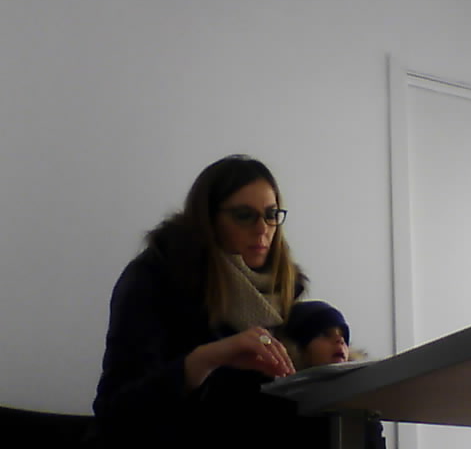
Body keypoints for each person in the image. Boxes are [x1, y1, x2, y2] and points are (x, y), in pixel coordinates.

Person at [89, 155, 331, 447]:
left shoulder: (284, 294)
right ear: (209, 220)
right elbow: (115, 413)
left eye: (271, 215)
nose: (262, 229)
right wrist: (204, 360)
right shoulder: (155, 278)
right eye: (244, 215)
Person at [283, 300, 387, 449]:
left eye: (343, 336)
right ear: (300, 349)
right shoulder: (288, 399)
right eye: (325, 334)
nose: (340, 340)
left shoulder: (362, 406)